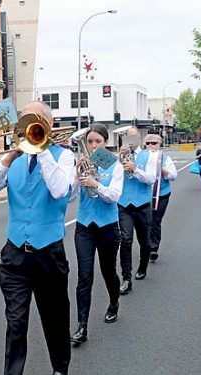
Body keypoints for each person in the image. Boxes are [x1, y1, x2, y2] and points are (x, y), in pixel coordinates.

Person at [0, 100, 74, 375]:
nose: (29, 125)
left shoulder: (64, 158)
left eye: (35, 120)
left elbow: (61, 192)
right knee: (16, 325)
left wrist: (42, 149)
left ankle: (60, 364)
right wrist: (7, 158)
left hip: (48, 254)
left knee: (54, 318)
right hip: (15, 255)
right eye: (25, 120)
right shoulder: (15, 161)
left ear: (50, 124)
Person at [71, 124, 123, 346]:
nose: (93, 146)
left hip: (108, 226)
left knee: (108, 271)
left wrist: (96, 184)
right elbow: (69, 197)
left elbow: (114, 196)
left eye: (97, 142)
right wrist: (76, 177)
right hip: (84, 226)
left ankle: (114, 303)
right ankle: (82, 326)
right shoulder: (82, 162)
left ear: (105, 143)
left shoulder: (113, 164)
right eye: (90, 141)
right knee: (84, 276)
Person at [117, 133, 158, 295]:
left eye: (133, 137)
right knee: (126, 240)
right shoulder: (120, 155)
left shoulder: (149, 156)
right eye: (127, 137)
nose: (130, 140)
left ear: (139, 139)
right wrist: (119, 160)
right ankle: (126, 278)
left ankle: (142, 267)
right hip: (123, 204)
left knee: (145, 241)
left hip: (142, 205)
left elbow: (151, 179)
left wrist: (135, 169)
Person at [148, 135, 177, 263]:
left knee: (155, 221)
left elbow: (173, 176)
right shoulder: (142, 158)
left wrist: (163, 170)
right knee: (146, 222)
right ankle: (146, 244)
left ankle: (153, 248)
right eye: (148, 143)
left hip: (162, 194)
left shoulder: (165, 159)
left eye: (154, 143)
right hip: (145, 196)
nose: (151, 145)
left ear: (159, 144)